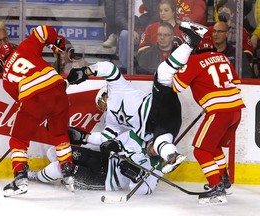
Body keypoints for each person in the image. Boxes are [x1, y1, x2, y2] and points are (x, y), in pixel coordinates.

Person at [66, 20, 208, 174]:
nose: (101, 106)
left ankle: (190, 43)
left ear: (104, 94)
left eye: (100, 101)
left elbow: (108, 68)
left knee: (163, 73)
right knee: (161, 142)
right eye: (99, 106)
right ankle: (173, 157)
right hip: (161, 125)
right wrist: (83, 137)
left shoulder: (117, 87)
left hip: (156, 105)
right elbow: (104, 137)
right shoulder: (111, 121)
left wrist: (86, 72)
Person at [0, 25, 75, 197]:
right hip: (57, 88)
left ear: (1, 60)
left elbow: (23, 101)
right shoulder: (24, 47)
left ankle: (20, 177)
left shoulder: (5, 79)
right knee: (60, 134)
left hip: (34, 99)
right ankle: (68, 173)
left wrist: (40, 113)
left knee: (19, 138)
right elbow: (42, 30)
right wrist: (56, 41)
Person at [169, 38, 245, 204]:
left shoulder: (195, 60)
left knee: (200, 150)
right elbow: (236, 85)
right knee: (213, 146)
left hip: (220, 112)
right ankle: (223, 180)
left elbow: (177, 86)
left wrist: (176, 68)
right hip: (236, 110)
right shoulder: (223, 57)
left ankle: (216, 187)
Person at [28, 129, 163, 194]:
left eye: (158, 151)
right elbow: (116, 143)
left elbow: (144, 190)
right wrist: (111, 145)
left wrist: (135, 177)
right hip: (101, 160)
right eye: (154, 147)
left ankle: (36, 176)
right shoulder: (135, 136)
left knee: (57, 168)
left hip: (105, 179)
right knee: (55, 151)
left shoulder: (157, 166)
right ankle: (62, 176)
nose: (154, 152)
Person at [204, 0, 254, 68]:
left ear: (232, 14)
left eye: (226, 9)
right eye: (220, 9)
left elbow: (248, 54)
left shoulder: (240, 31)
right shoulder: (210, 30)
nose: (222, 12)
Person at [115, 0, 159, 73]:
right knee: (124, 35)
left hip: (147, 29)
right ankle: (124, 69)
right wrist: (130, 29)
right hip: (129, 29)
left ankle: (146, 68)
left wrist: (146, 31)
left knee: (155, 33)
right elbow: (119, 16)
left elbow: (156, 15)